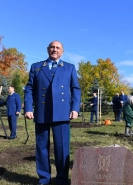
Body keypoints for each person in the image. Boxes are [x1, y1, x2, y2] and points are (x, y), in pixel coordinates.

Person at [24, 40, 81, 185]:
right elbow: (30, 89)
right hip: (42, 112)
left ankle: (62, 179)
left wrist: (75, 108)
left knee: (62, 148)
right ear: (47, 49)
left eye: (58, 48)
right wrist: (29, 108)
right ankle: (44, 179)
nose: (55, 50)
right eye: (52, 47)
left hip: (62, 113)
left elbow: (75, 89)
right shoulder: (36, 67)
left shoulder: (69, 68)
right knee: (42, 147)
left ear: (62, 51)